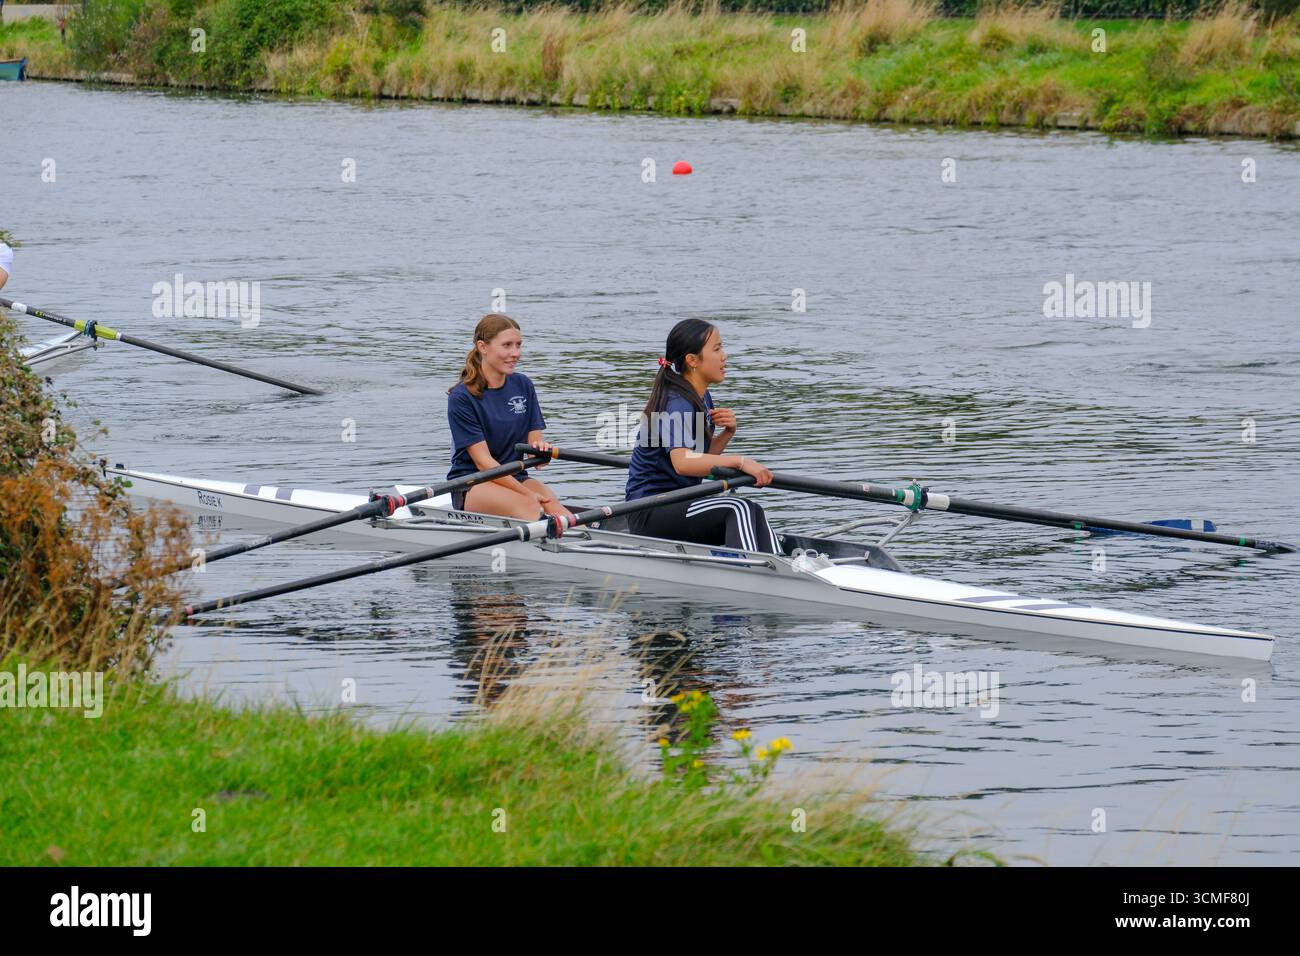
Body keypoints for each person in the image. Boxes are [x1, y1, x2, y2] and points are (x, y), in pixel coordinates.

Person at [625, 318, 778, 553]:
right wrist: (740, 461)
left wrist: (728, 433)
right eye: (717, 349)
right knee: (738, 508)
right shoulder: (676, 403)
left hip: (681, 501)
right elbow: (683, 463)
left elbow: (700, 459)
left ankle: (781, 565)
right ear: (692, 360)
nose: (724, 356)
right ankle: (758, 574)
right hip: (649, 509)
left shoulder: (699, 397)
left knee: (753, 510)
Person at [446, 313, 575, 527]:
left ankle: (594, 544)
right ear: (482, 347)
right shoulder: (462, 397)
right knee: (530, 505)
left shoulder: (523, 385)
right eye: (507, 345)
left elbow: (535, 452)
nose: (515, 353)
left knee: (556, 507)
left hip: (516, 477)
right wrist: (527, 494)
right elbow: (484, 463)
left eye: (518, 345)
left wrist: (541, 453)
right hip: (473, 482)